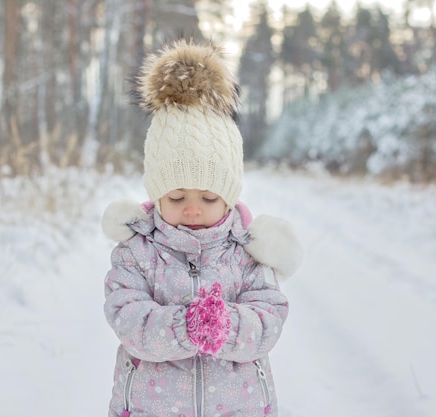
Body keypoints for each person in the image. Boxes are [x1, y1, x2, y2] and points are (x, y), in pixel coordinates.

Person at [101, 39, 302, 417]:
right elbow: (126, 316)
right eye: (177, 198)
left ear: (228, 198)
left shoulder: (247, 253)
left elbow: (268, 318)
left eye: (208, 198)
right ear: (156, 195)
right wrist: (185, 327)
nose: (192, 209)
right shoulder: (136, 253)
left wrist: (227, 325)